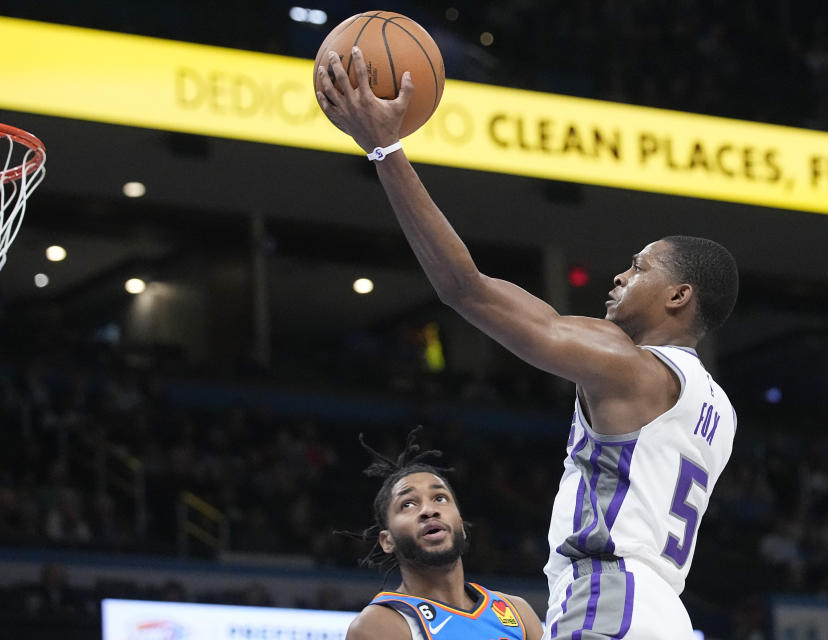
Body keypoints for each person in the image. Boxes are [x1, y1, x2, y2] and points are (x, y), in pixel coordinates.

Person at [317, 47, 740, 640]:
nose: (620, 276)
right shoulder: (717, 408)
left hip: (609, 600)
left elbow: (466, 289)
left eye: (640, 268)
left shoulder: (628, 366)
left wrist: (386, 151)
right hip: (666, 611)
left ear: (679, 296)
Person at [343, 428, 543, 640]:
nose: (429, 510)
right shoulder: (378, 624)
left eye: (439, 498)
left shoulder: (518, 612)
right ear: (387, 540)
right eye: (408, 504)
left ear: (462, 527)